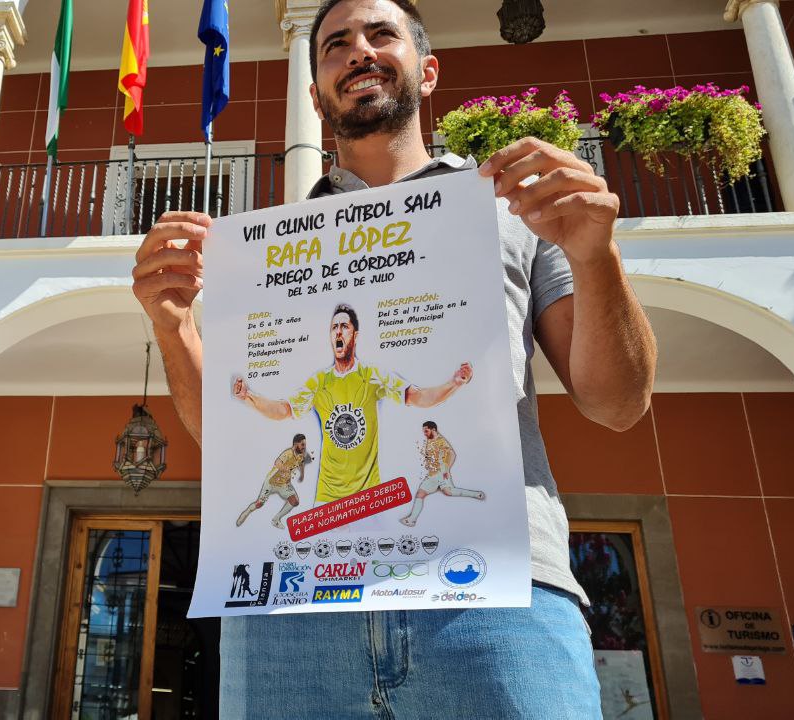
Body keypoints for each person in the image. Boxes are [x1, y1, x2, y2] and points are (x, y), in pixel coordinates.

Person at [130, 0, 656, 716]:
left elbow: (618, 403)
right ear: (315, 94)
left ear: (428, 71)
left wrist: (598, 256)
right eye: (335, 44)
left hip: (496, 597)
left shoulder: (516, 215)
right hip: (292, 609)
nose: (359, 50)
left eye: (382, 34)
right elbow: (234, 442)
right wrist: (173, 329)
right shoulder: (260, 254)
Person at [234, 303, 472, 502]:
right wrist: (249, 396)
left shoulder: (372, 375)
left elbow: (417, 397)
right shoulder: (319, 382)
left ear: (355, 336)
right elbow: (283, 410)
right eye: (334, 327)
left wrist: (455, 383)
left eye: (344, 327)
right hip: (328, 499)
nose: (338, 332)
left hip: (368, 498)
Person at [400, 420, 484, 527]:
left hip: (441, 472)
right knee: (421, 493)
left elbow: (452, 454)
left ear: (433, 429)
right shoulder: (430, 439)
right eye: (424, 431)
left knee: (448, 492)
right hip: (432, 474)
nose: (424, 433)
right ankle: (412, 520)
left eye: (426, 431)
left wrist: (447, 469)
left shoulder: (441, 441)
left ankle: (476, 494)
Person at [235, 433, 313, 529]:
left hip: (283, 484)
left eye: (305, 444)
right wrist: (286, 469)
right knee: (259, 504)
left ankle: (276, 520)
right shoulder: (288, 453)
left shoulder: (301, 455)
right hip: (271, 482)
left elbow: (301, 463)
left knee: (295, 502)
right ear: (296, 444)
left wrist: (302, 475)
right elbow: (277, 463)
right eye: (302, 444)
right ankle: (246, 513)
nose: (304, 447)